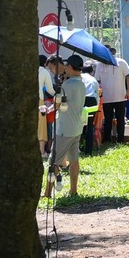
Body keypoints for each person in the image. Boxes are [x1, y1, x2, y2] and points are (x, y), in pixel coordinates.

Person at [50, 54, 92, 194]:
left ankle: (47, 192)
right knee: (74, 160)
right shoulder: (81, 83)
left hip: (64, 128)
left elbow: (57, 104)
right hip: (76, 127)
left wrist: (59, 88)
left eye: (67, 66)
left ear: (70, 67)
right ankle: (73, 190)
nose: (65, 68)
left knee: (53, 162)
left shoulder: (67, 85)